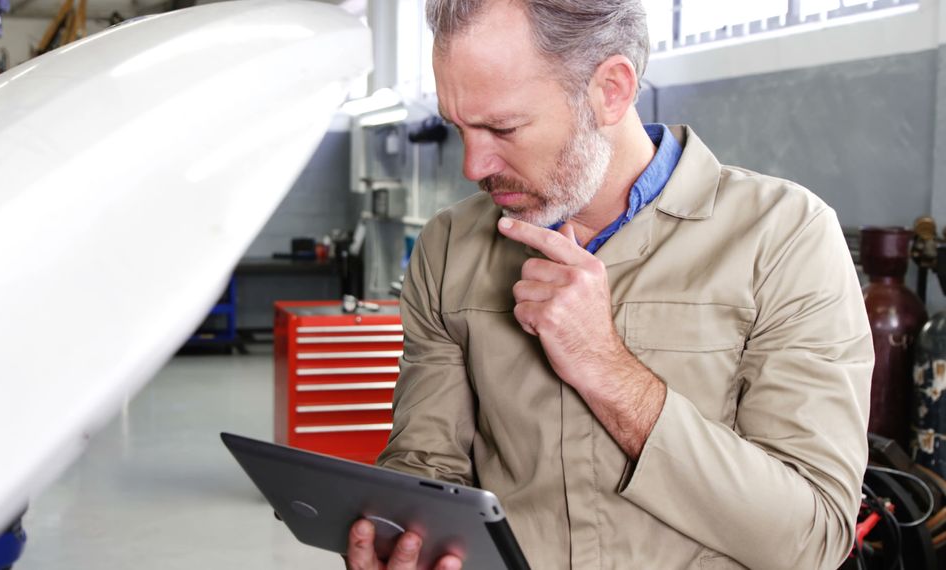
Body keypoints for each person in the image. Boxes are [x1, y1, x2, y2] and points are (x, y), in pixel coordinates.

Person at [344, 1, 873, 568]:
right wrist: (401, 541)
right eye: (460, 127)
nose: (473, 165)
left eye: (503, 127)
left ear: (611, 90)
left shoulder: (783, 237)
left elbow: (812, 539)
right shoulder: (450, 246)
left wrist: (606, 367)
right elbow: (426, 469)